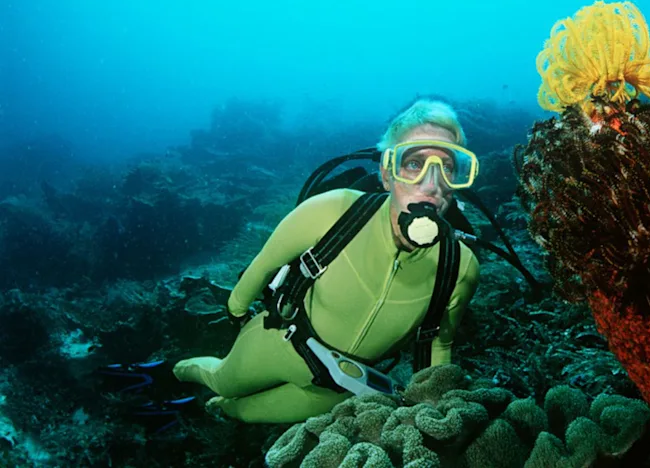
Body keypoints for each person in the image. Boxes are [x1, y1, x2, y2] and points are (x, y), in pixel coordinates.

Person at [171, 98, 481, 423]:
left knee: (241, 413)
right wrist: (236, 309)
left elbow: (438, 343)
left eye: (447, 168)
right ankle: (177, 374)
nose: (432, 185)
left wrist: (432, 407)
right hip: (279, 342)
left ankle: (218, 409)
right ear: (387, 174)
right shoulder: (331, 211)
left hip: (336, 388)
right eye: (414, 164)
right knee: (222, 380)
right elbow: (264, 264)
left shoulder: (460, 267)